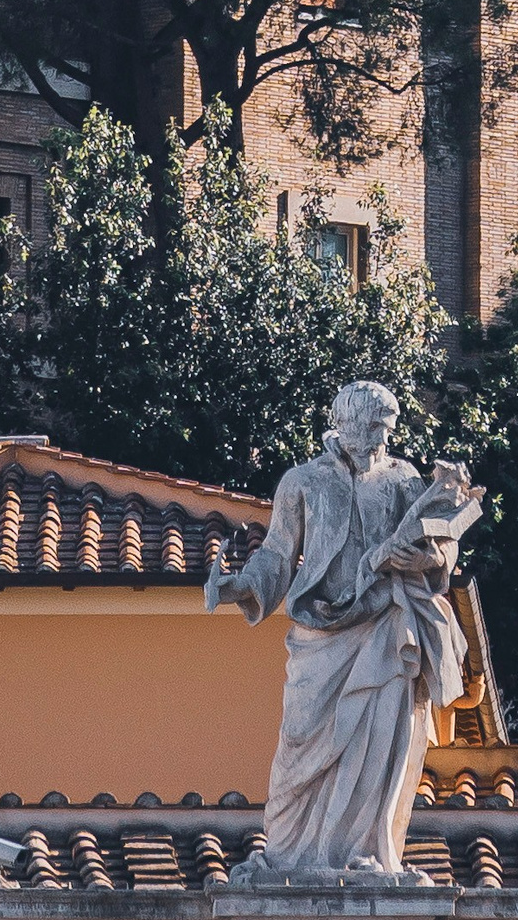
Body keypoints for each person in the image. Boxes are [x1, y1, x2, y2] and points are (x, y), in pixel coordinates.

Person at [206, 378, 484, 882]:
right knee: (300, 745)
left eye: (390, 426)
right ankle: (290, 854)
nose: (386, 436)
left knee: (378, 745)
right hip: (321, 634)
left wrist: (423, 556)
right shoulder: (303, 481)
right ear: (348, 424)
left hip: (385, 624)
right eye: (378, 425)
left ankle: (368, 851)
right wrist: (241, 587)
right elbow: (277, 553)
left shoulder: (403, 479)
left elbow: (441, 547)